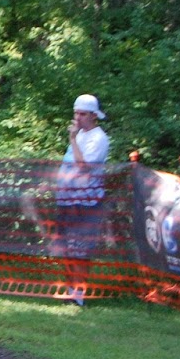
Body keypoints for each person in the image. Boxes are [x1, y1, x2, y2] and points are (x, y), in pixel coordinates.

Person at [53, 93, 110, 306]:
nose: (78, 117)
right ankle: (69, 290)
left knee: (81, 248)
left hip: (87, 203)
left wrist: (72, 139)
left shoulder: (99, 138)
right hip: (67, 199)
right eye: (76, 113)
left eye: (82, 114)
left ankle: (79, 294)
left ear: (93, 115)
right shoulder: (79, 136)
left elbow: (84, 166)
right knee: (67, 247)